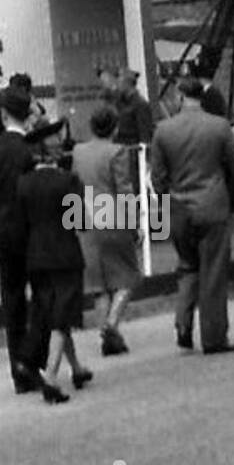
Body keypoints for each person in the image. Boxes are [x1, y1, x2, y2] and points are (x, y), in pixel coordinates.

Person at [150, 76, 234, 355]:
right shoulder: (219, 127)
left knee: (187, 267)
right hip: (212, 206)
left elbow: (157, 177)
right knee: (213, 273)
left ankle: (183, 325)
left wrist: (167, 201)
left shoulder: (163, 130)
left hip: (178, 209)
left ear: (180, 97)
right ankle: (213, 336)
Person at [0, 88, 44, 394]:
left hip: (4, 231)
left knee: (12, 299)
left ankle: (18, 369)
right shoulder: (30, 149)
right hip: (34, 228)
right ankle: (35, 358)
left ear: (3, 115)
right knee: (41, 296)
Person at [18, 124, 90, 403]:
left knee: (51, 310)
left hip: (36, 255)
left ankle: (77, 368)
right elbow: (79, 221)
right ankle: (50, 375)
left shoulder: (23, 183)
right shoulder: (67, 181)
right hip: (65, 253)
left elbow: (21, 222)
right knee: (64, 315)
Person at [71, 105, 142, 356]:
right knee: (128, 275)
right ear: (115, 127)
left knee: (98, 283)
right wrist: (134, 224)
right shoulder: (117, 151)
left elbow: (74, 186)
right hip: (112, 216)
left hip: (87, 218)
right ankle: (111, 324)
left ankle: (106, 334)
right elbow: (124, 190)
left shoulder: (78, 151)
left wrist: (73, 220)